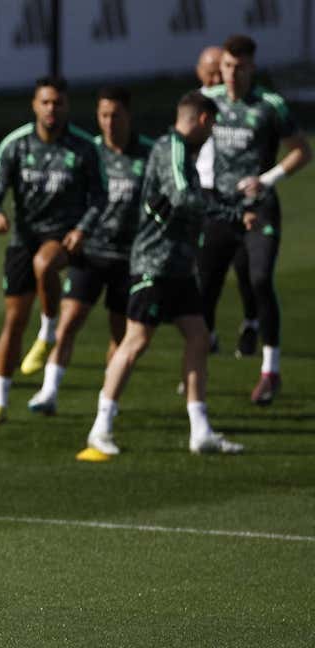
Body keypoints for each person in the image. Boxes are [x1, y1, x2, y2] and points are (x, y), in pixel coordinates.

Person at [83, 91, 247, 457]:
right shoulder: (170, 147)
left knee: (198, 335)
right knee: (136, 340)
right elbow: (182, 195)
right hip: (155, 263)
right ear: (203, 120)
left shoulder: (181, 150)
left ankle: (200, 430)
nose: (212, 134)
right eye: (213, 126)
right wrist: (229, 212)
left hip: (178, 264)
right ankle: (101, 426)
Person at [0, 76, 105, 426]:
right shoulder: (16, 145)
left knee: (45, 264)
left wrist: (82, 229)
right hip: (24, 237)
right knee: (13, 323)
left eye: (58, 103)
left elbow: (99, 197)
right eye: (45, 102)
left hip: (65, 237)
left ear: (67, 106)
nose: (51, 109)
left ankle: (48, 332)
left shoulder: (83, 147)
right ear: (34, 105)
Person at [26, 87, 153, 414]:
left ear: (129, 115)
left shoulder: (149, 154)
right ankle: (48, 392)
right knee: (68, 322)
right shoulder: (89, 151)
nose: (109, 122)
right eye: (103, 116)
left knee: (120, 335)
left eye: (116, 115)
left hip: (130, 258)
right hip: (91, 252)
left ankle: (107, 399)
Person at [198, 34, 310, 405]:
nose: (231, 74)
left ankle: (270, 371)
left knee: (260, 278)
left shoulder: (269, 105)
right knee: (204, 288)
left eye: (239, 67)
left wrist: (266, 180)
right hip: (218, 208)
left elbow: (301, 151)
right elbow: (183, 139)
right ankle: (197, 366)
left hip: (259, 207)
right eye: (227, 66)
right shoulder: (207, 101)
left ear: (252, 68)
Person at [193, 45, 256, 357]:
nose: (219, 76)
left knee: (247, 267)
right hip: (203, 193)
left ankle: (252, 321)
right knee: (207, 270)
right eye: (212, 71)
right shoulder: (195, 104)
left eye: (224, 69)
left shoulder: (239, 105)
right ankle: (208, 333)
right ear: (200, 72)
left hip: (236, 193)